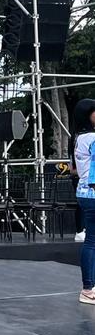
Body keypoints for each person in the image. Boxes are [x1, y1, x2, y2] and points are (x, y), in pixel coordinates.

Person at [73, 98, 95, 306]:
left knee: (92, 241)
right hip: (93, 193)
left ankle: (89, 287)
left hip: (84, 192)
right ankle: (88, 289)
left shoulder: (79, 138)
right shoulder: (93, 138)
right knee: (92, 241)